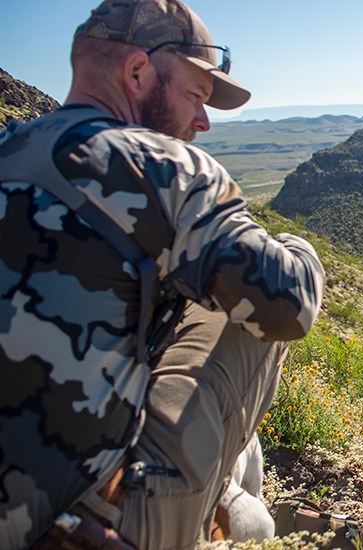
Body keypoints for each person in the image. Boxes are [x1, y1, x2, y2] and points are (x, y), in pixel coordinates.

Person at [0, 1, 324, 548]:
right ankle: (206, 508)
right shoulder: (163, 166)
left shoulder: (10, 148)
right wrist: (300, 250)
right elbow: (289, 307)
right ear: (136, 73)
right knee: (257, 290)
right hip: (85, 531)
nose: (203, 121)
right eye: (196, 96)